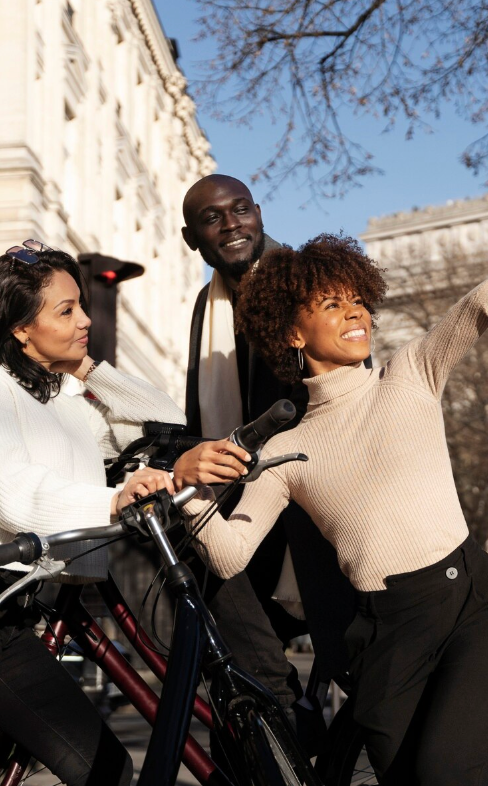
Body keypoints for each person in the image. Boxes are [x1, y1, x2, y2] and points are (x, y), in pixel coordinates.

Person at [179, 154, 488, 784]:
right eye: (331, 305)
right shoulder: (281, 453)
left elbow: (485, 302)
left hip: (472, 607)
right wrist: (182, 484)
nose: (355, 314)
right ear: (293, 333)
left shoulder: (413, 373)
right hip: (384, 640)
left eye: (358, 302)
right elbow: (232, 554)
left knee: (441, 772)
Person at [0, 241, 217, 786]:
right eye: (66, 311)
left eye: (82, 305)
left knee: (105, 767)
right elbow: (11, 492)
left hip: (7, 609)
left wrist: (86, 367)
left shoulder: (60, 398)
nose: (85, 319)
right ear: (20, 327)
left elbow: (165, 422)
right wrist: (112, 499)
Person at [178, 174, 356, 730]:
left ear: (258, 214)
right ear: (192, 239)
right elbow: (197, 413)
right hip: (244, 504)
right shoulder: (206, 307)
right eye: (213, 218)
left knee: (355, 672)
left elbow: (350, 377)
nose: (230, 224)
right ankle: (281, 735)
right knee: (245, 670)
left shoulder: (299, 280)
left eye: (240, 210)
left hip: (314, 499)